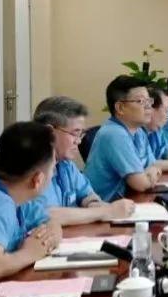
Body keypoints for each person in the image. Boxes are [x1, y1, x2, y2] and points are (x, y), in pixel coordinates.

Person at [0, 122, 62, 288]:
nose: (53, 174)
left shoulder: (12, 190)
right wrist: (30, 253)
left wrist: (49, 236)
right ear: (37, 180)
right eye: (53, 168)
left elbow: (49, 221)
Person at [32, 96, 135, 225]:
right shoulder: (31, 168)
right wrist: (105, 212)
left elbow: (87, 195)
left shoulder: (66, 164)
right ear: (49, 133)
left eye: (81, 134)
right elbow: (47, 216)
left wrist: (94, 204)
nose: (79, 141)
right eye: (75, 133)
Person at [84, 76, 162, 202]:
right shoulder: (114, 134)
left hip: (130, 200)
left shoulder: (138, 131)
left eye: (149, 101)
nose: (149, 107)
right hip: (105, 206)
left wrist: (151, 171)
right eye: (141, 101)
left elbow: (155, 165)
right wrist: (150, 173)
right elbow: (141, 184)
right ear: (120, 108)